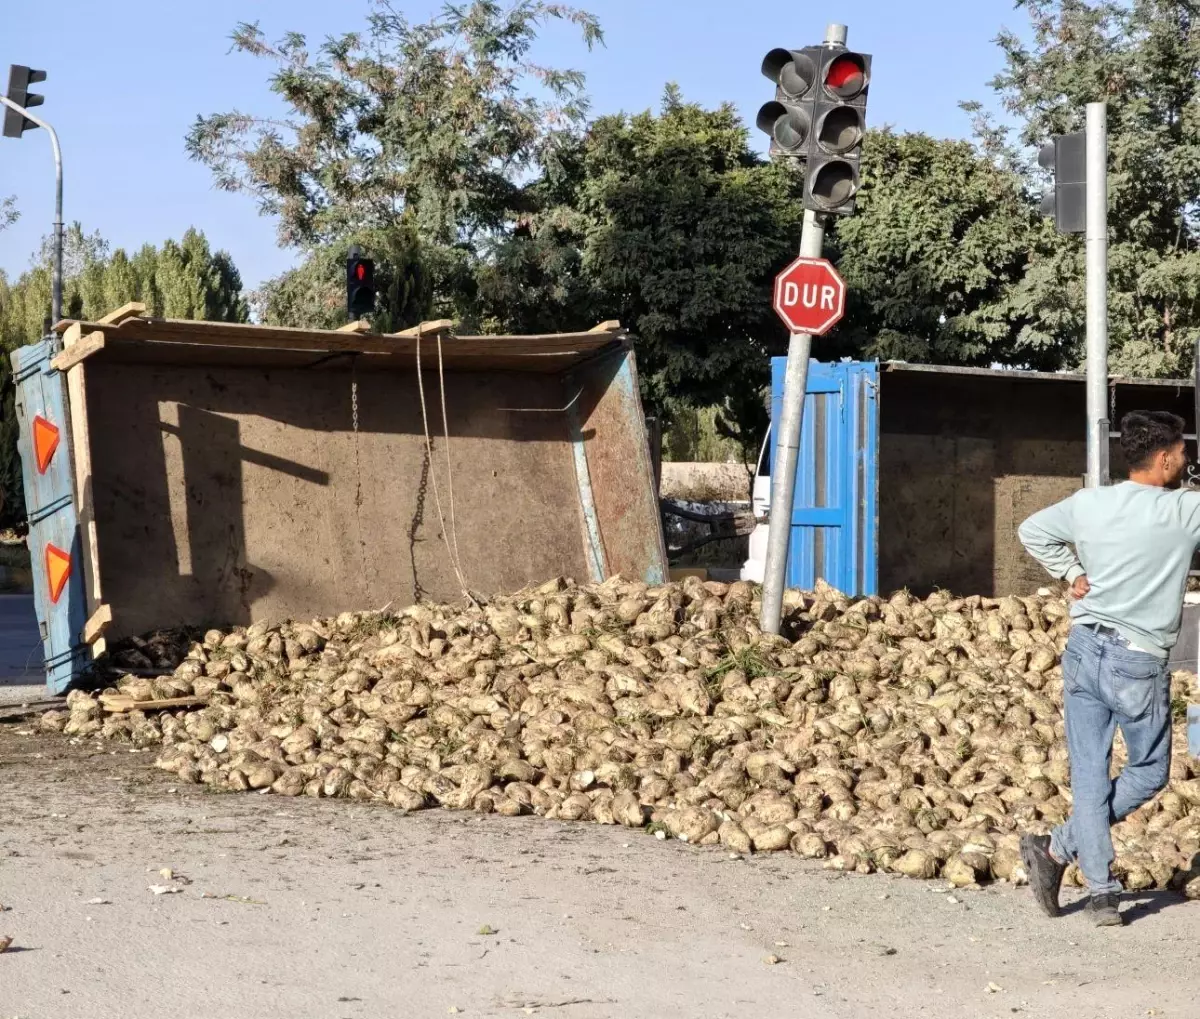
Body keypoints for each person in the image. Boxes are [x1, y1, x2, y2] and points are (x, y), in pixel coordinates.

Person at [1017, 410, 1198, 926]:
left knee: (1090, 773)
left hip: (1083, 648)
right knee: (1149, 771)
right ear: (1164, 460)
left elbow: (1031, 530)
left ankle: (1100, 893)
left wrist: (1071, 571)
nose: (1186, 460)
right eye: (1182, 453)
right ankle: (1058, 848)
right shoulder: (1185, 510)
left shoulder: (1089, 503)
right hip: (1136, 661)